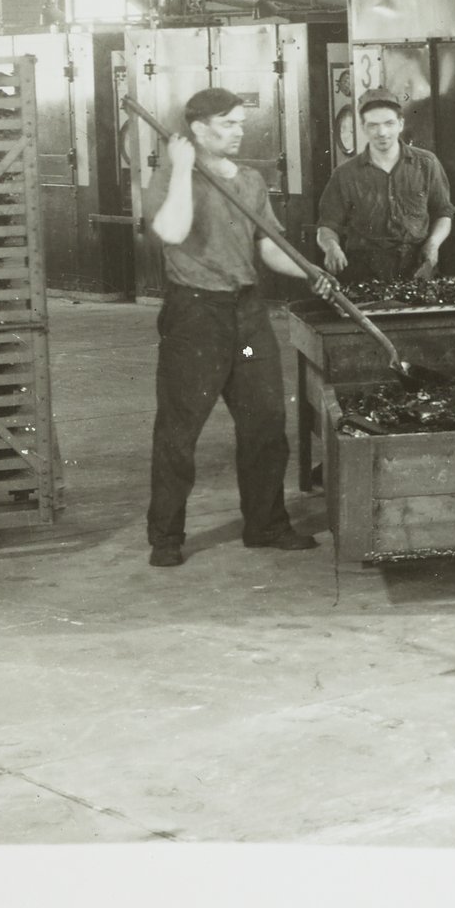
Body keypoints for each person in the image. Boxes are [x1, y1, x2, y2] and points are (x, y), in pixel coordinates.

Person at [144, 87, 326, 567]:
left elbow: (267, 247)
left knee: (265, 418)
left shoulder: (249, 181)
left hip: (246, 321)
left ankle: (266, 524)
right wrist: (182, 169)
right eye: (227, 124)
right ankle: (166, 537)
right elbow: (172, 232)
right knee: (180, 429)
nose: (239, 132)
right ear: (198, 129)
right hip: (196, 319)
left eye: (240, 123)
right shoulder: (170, 177)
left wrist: (310, 272)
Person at [314, 92, 455, 286]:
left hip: (418, 267)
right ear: (363, 127)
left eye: (389, 123)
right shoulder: (344, 174)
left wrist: (433, 244)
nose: (382, 132)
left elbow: (443, 213)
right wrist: (331, 248)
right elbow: (327, 225)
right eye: (373, 125)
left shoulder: (427, 163)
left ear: (400, 124)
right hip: (363, 272)